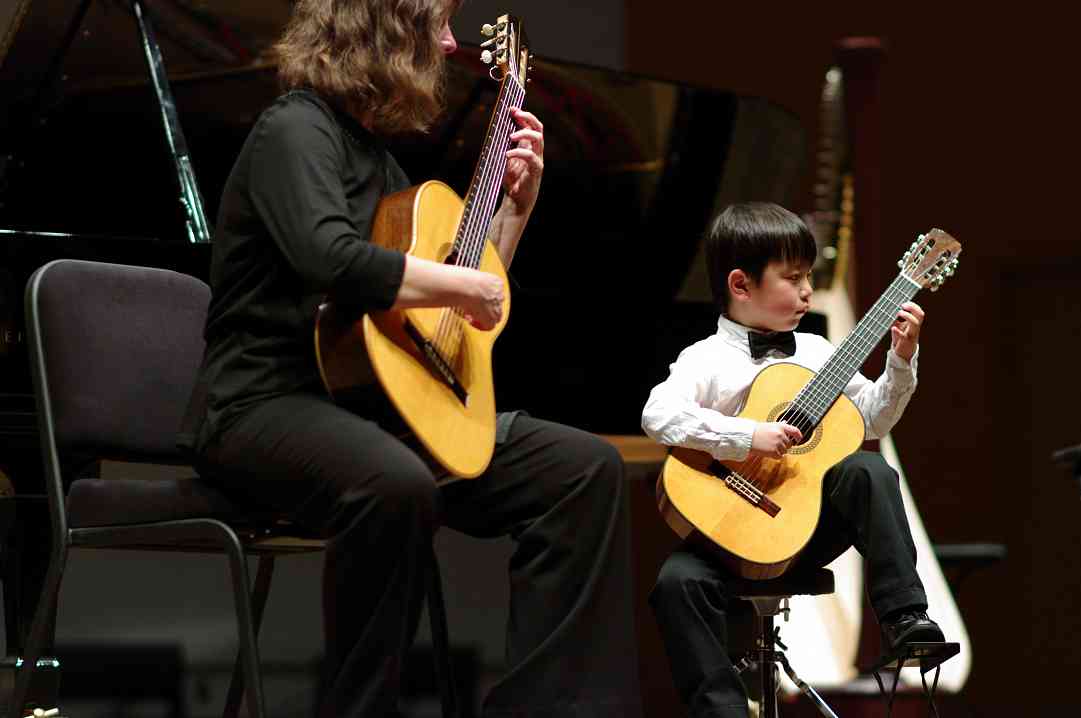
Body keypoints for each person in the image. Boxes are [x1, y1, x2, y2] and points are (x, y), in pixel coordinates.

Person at [177, 2, 642, 716]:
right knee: (395, 484)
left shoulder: (379, 160)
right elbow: (328, 257)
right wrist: (466, 281)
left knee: (582, 469)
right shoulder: (293, 129)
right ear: (382, 32)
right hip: (260, 404)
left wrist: (513, 214)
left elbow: (448, 312)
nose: (451, 42)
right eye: (437, 25)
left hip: (370, 405)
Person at [641, 202, 944, 717]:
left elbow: (871, 420)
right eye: (793, 278)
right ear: (741, 285)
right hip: (726, 532)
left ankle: (906, 619)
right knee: (674, 584)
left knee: (869, 469)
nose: (808, 290)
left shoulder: (818, 350)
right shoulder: (705, 359)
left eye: (808, 277)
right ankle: (723, 710)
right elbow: (658, 416)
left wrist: (900, 359)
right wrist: (748, 435)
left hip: (801, 530)